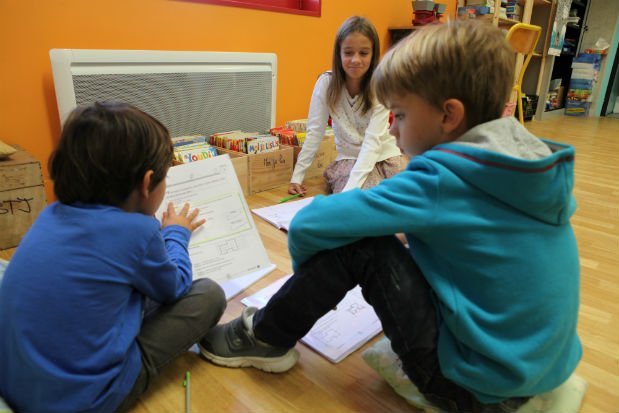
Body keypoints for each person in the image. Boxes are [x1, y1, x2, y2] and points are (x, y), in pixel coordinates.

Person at [200, 20, 582, 413]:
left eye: (398, 115)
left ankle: (264, 336)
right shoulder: (523, 161)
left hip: (475, 388)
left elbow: (310, 224)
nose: (391, 128)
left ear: (448, 116)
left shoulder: (439, 178)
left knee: (361, 245)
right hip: (539, 369)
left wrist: (310, 272)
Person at [0, 102, 226, 413]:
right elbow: (175, 287)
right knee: (209, 294)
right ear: (147, 183)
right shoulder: (139, 232)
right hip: (85, 401)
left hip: (15, 383)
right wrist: (176, 232)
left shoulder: (50, 214)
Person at [289, 16, 403, 196]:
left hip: (385, 156)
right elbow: (315, 131)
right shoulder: (326, 83)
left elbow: (372, 144)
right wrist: (297, 176)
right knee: (363, 201)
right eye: (348, 52)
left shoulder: (381, 86)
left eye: (364, 53)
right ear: (339, 54)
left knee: (409, 197)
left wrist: (350, 190)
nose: (355, 60)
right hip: (350, 159)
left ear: (373, 55)